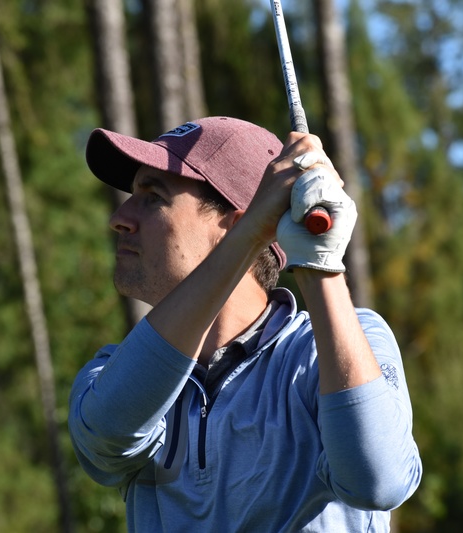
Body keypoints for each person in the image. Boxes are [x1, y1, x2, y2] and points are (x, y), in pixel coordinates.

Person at [68, 116, 422, 532]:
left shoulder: (339, 343)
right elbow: (106, 438)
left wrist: (319, 265)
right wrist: (252, 235)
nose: (120, 217)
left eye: (153, 197)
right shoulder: (114, 370)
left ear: (234, 226)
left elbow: (377, 482)